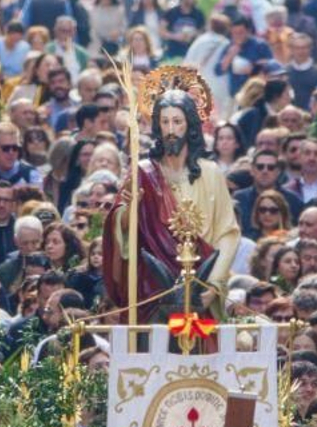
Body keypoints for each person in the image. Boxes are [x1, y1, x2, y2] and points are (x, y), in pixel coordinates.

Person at [101, 86, 240, 319]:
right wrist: (129, 209)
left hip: (201, 282)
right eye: (164, 122)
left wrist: (213, 285)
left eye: (177, 121)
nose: (171, 130)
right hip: (153, 287)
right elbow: (121, 230)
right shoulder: (143, 173)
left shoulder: (211, 173)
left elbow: (227, 233)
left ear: (190, 125)